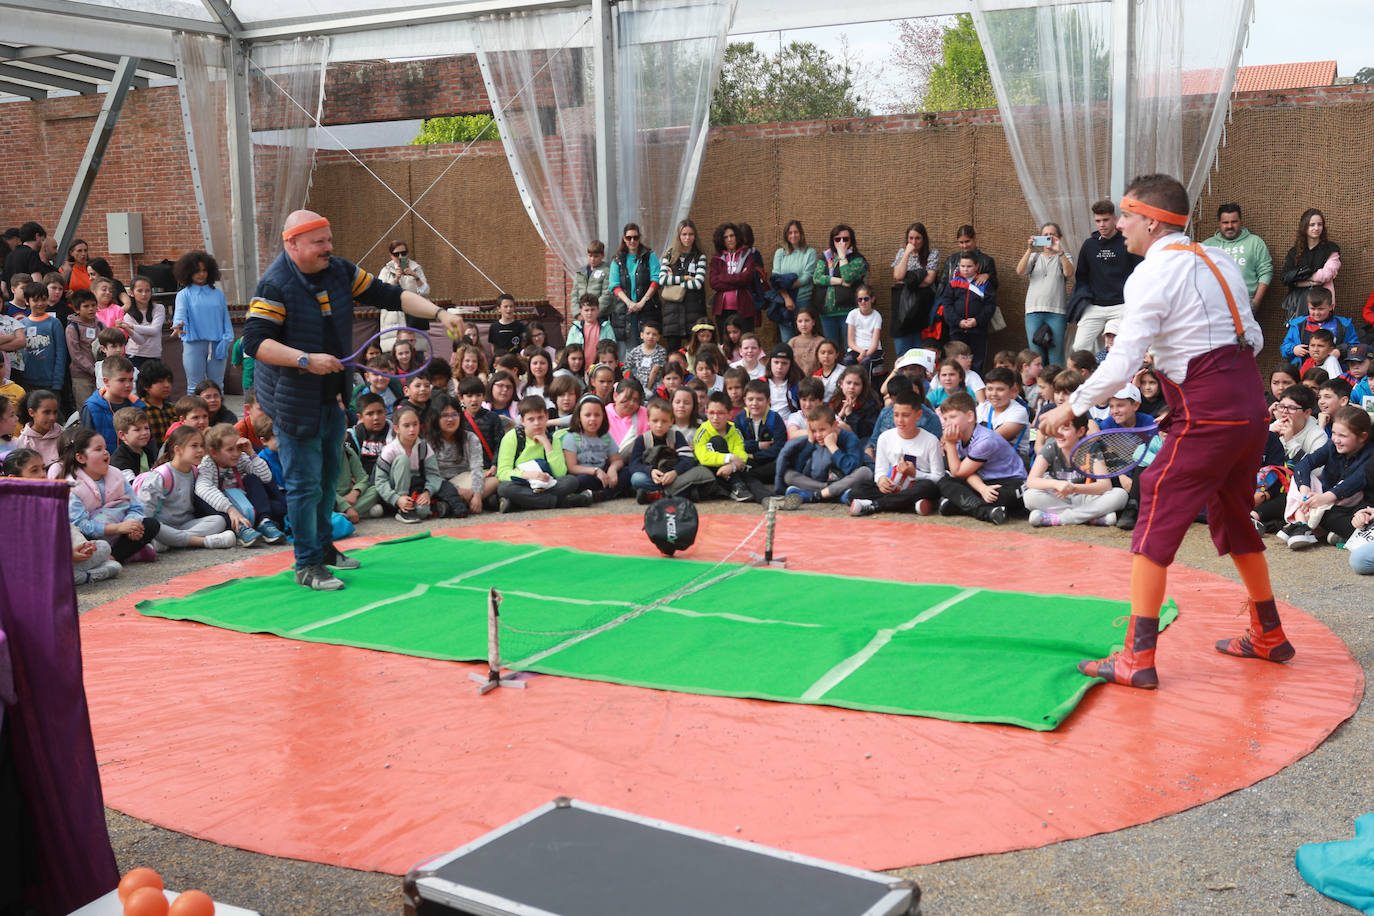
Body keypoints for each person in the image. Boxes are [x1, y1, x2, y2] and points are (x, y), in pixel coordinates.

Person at [1038, 172, 1292, 690]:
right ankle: (1269, 633)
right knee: (1234, 517)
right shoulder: (1217, 260)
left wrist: (1072, 407)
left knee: (1152, 509)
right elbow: (1254, 337)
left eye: (1126, 216)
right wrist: (1177, 362)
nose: (1119, 225)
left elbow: (1120, 361)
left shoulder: (1149, 275)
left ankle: (1136, 657)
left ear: (1151, 222)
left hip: (1209, 415)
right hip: (1248, 409)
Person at [241, 209, 464, 590]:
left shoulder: (340, 270)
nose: (329, 248)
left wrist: (440, 313)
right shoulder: (274, 284)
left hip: (331, 395)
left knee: (328, 479)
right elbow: (255, 342)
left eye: (329, 240)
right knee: (304, 483)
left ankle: (325, 549)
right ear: (292, 244)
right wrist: (305, 360)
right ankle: (307, 564)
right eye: (320, 242)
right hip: (292, 398)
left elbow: (390, 295)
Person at [65, 427, 160, 566]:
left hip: (122, 532)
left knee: (151, 524)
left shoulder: (116, 474)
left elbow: (136, 507)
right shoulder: (73, 486)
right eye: (98, 449)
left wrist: (132, 525)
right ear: (81, 458)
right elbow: (79, 525)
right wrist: (118, 528)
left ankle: (115, 556)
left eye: (105, 448)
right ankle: (126, 554)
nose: (105, 452)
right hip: (96, 536)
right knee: (88, 541)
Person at [135, 426, 236, 550]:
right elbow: (145, 512)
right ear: (178, 449)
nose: (200, 450)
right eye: (194, 446)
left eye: (202, 445)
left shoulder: (195, 472)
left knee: (219, 521)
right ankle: (204, 541)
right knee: (152, 526)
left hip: (186, 525)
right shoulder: (161, 475)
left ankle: (171, 542)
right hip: (162, 526)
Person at [848, 389, 944, 517]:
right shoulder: (885, 437)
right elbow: (880, 470)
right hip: (893, 486)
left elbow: (939, 477)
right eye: (896, 415)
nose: (899, 420)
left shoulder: (931, 440)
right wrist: (881, 480)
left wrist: (915, 474)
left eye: (905, 415)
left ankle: (874, 505)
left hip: (916, 486)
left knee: (928, 488)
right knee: (858, 489)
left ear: (918, 415)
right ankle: (912, 505)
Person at [1023, 411, 1128, 527]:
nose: (1059, 433)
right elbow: (1031, 481)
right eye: (1057, 428)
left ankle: (1060, 519)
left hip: (1086, 497)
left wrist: (1073, 488)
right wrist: (1055, 484)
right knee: (1029, 496)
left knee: (1120, 495)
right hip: (1059, 497)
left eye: (1065, 429)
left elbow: (1105, 485)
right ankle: (1091, 518)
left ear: (1081, 431)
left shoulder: (1091, 448)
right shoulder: (1050, 447)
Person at [936, 391, 1025, 525]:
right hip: (983, 480)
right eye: (946, 418)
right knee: (944, 481)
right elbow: (963, 473)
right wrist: (982, 488)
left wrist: (950, 444)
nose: (947, 423)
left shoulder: (984, 440)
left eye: (953, 417)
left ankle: (958, 505)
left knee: (998, 496)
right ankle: (986, 512)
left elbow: (960, 472)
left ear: (970, 416)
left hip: (1009, 481)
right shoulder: (958, 438)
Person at [496, 395, 595, 512]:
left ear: (547, 417)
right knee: (504, 488)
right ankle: (561, 502)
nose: (537, 423)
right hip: (523, 483)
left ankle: (521, 503)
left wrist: (547, 445)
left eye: (540, 418)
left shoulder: (553, 439)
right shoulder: (512, 438)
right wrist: (529, 475)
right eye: (531, 419)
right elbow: (502, 472)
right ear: (523, 421)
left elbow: (560, 473)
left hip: (546, 483)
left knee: (571, 481)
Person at [197, 422, 287, 546]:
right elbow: (203, 489)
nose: (236, 453)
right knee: (202, 497)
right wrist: (230, 510)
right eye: (230, 450)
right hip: (226, 510)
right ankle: (240, 529)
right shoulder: (207, 464)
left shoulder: (241, 457)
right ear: (213, 452)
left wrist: (251, 453)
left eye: (238, 448)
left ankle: (264, 522)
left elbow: (265, 478)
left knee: (252, 479)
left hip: (243, 504)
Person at [1070, 200, 1142, 354]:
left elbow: (1141, 272)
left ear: (1114, 219)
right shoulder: (1089, 245)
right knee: (1078, 349)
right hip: (1095, 306)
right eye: (1098, 221)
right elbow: (1081, 276)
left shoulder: (1127, 242)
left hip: (1121, 305)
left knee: (1114, 346)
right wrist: (1085, 298)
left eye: (1105, 220)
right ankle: (1087, 377)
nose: (1102, 224)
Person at [171, 250, 233, 394]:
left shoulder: (218, 294)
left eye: (204, 270)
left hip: (218, 345)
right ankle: (193, 416)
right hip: (193, 344)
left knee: (217, 386)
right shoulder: (183, 294)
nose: (201, 274)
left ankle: (219, 416)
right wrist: (179, 324)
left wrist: (227, 338)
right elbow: (180, 312)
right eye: (197, 271)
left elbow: (225, 319)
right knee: (194, 387)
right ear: (188, 272)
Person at [374, 404, 446, 523]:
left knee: (422, 511)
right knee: (403, 459)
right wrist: (396, 498)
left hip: (416, 487)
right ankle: (402, 508)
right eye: (406, 426)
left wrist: (427, 492)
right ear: (397, 429)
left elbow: (433, 474)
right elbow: (380, 481)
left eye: (415, 424)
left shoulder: (424, 447)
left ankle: (422, 507)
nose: (412, 429)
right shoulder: (390, 450)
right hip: (395, 490)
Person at [1016, 222, 1073, 366]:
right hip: (1033, 312)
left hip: (1057, 312)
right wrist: (1029, 250)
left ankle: (1058, 387)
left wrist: (1059, 252)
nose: (1049, 237)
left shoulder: (1064, 256)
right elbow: (1020, 270)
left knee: (1056, 354)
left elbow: (1069, 272)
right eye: (1045, 235)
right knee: (1035, 356)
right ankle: (1039, 387)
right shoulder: (1034, 257)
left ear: (1059, 237)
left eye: (1052, 234)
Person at [934, 253, 996, 372]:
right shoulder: (953, 283)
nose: (965, 269)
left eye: (969, 266)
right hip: (957, 330)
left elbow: (990, 306)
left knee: (976, 361)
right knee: (955, 362)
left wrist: (977, 320)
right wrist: (958, 321)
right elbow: (947, 305)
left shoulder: (984, 284)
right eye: (962, 266)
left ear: (976, 266)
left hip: (978, 330)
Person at [1204, 204, 1272, 312]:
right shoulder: (1207, 246)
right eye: (1225, 222)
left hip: (1244, 303)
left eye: (1234, 221)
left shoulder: (1255, 242)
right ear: (1219, 223)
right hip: (1213, 304)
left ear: (1240, 221)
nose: (1230, 226)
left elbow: (1265, 272)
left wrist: (1256, 302)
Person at [1279, 208, 1341, 323]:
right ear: (1304, 226)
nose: (1316, 228)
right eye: (1312, 224)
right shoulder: (1295, 252)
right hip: (1297, 304)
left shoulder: (1331, 249)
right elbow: (1285, 278)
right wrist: (1312, 282)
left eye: (1320, 224)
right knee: (1299, 335)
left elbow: (1326, 274)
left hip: (1322, 303)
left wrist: (1299, 279)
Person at [812, 224, 868, 346]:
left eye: (845, 239)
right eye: (838, 239)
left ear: (851, 240)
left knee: (850, 348)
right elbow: (816, 278)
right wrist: (840, 281)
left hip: (848, 311)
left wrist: (842, 256)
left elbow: (848, 276)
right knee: (830, 347)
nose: (841, 242)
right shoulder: (826, 257)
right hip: (826, 311)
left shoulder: (857, 259)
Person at [657, 219, 708, 352]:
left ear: (695, 236)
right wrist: (685, 278)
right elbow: (662, 281)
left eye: (690, 234)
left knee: (696, 352)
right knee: (674, 354)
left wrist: (672, 278)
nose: (687, 237)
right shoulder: (669, 255)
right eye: (684, 234)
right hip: (672, 313)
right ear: (678, 236)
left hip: (694, 311)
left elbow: (697, 283)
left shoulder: (700, 257)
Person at [609, 223, 661, 354]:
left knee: (649, 348)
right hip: (626, 312)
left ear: (640, 238)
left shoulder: (650, 256)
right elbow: (614, 285)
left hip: (647, 310)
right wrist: (629, 303)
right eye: (629, 237)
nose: (632, 241)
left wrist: (643, 301)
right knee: (631, 350)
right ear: (624, 238)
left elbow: (656, 280)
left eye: (635, 237)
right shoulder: (617, 260)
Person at [1279, 286, 1360, 369]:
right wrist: (1293, 349)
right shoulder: (1298, 324)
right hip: (1304, 372)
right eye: (1312, 309)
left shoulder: (1344, 325)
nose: (1316, 313)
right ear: (1308, 306)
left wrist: (1340, 351)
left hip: (1334, 371)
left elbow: (1356, 347)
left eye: (1321, 309)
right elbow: (1284, 348)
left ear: (1331, 307)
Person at [890, 222, 939, 356]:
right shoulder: (902, 252)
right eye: (910, 238)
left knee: (920, 351)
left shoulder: (932, 254)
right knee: (902, 352)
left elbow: (929, 280)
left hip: (922, 307)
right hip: (902, 308)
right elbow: (898, 275)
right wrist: (907, 253)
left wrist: (906, 280)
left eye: (917, 238)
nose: (914, 242)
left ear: (924, 239)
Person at [377, 239, 432, 355]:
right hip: (393, 322)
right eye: (396, 254)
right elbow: (380, 294)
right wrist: (395, 279)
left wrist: (415, 277)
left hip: (414, 321)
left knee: (417, 361)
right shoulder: (386, 271)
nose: (400, 256)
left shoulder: (416, 268)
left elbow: (425, 292)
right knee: (393, 364)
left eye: (404, 253)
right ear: (391, 256)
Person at [709, 222, 760, 337]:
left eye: (732, 236)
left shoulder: (747, 254)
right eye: (726, 237)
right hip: (722, 310)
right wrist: (738, 279)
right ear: (721, 240)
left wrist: (722, 277)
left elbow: (747, 278)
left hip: (744, 308)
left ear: (737, 237)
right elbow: (713, 283)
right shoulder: (716, 258)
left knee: (746, 342)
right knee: (725, 344)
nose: (729, 239)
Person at [772, 220, 818, 342]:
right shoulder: (780, 253)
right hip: (784, 302)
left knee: (805, 339)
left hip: (803, 301)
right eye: (790, 233)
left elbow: (807, 277)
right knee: (787, 340)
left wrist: (786, 283)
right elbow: (775, 278)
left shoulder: (810, 253)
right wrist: (787, 298)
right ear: (786, 235)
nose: (793, 235)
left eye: (796, 232)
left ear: (801, 234)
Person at [120, 275, 164, 369]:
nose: (144, 294)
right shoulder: (128, 315)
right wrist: (129, 328)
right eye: (140, 291)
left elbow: (155, 330)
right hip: (134, 355)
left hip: (154, 355)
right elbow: (139, 340)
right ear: (131, 293)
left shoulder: (159, 308)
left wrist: (131, 326)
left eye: (147, 290)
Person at [843, 284, 883, 374]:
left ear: (872, 299)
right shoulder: (852, 314)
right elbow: (850, 342)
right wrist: (861, 352)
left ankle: (867, 387)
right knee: (848, 360)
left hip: (873, 350)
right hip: (856, 350)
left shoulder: (876, 316)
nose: (863, 302)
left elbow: (875, 343)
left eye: (866, 299)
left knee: (866, 362)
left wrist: (865, 354)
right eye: (860, 299)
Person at [571, 240, 613, 319]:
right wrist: (577, 313)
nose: (593, 259)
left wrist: (592, 314)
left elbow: (606, 296)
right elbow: (574, 295)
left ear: (602, 256)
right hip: (581, 316)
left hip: (599, 316)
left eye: (596, 256)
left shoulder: (606, 271)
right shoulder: (581, 272)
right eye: (590, 256)